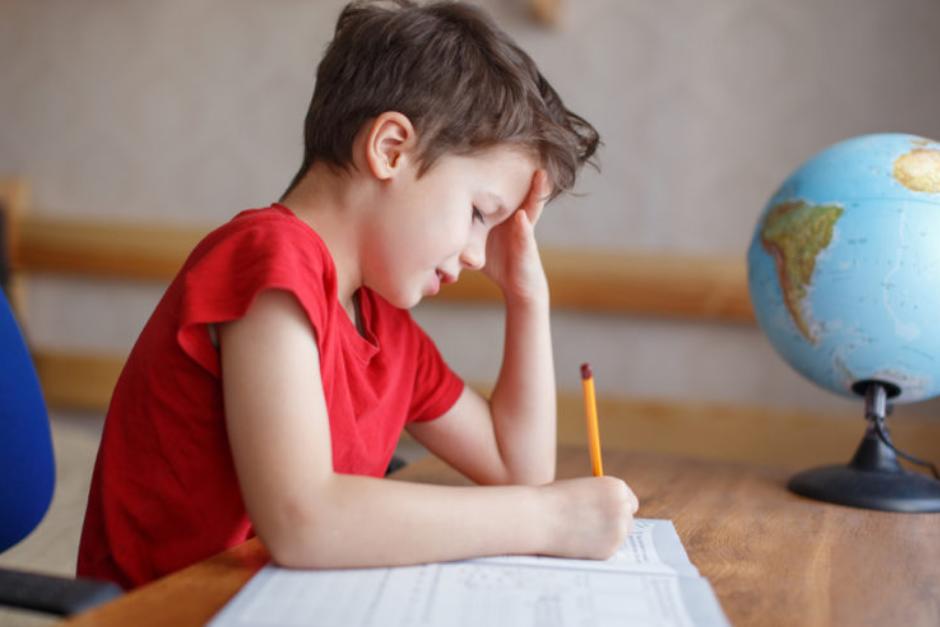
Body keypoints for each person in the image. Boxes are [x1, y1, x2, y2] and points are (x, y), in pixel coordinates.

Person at [77, 0, 638, 589]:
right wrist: (547, 519)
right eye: (479, 213)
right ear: (391, 148)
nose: (478, 256)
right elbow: (304, 519)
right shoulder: (269, 260)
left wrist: (527, 296)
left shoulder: (381, 322)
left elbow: (517, 467)